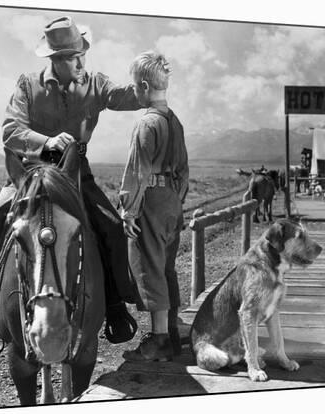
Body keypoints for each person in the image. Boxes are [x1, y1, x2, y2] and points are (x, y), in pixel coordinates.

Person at [0, 16, 141, 356]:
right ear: (55, 60)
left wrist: (151, 83)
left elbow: (125, 97)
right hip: (29, 172)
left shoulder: (95, 83)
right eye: (70, 56)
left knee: (110, 227)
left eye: (80, 54)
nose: (78, 62)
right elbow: (9, 130)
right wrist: (47, 141)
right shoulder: (28, 85)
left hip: (77, 173)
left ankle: (115, 304)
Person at [119, 51, 189, 362]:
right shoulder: (175, 122)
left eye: (134, 87)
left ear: (145, 86)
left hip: (150, 200)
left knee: (149, 266)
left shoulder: (146, 124)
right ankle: (172, 334)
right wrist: (177, 202)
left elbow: (137, 171)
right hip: (172, 200)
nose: (134, 92)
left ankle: (159, 339)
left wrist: (129, 210)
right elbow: (184, 170)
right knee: (167, 267)